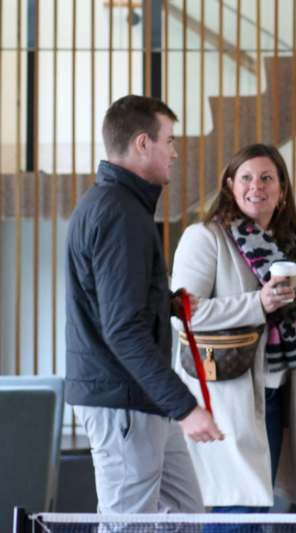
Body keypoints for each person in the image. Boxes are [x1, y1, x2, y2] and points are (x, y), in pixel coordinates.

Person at [170, 143, 296, 517]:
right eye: (246, 177)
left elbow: (294, 321)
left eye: (266, 178)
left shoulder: (285, 247)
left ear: (282, 191)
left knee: (255, 512)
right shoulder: (205, 237)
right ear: (229, 186)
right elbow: (183, 313)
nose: (256, 186)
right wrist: (257, 304)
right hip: (225, 396)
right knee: (235, 513)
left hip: (275, 396)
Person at [65, 95, 224, 515]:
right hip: (124, 399)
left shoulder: (119, 206)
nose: (174, 152)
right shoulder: (120, 214)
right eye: (169, 140)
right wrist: (186, 407)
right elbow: (122, 329)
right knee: (128, 524)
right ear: (142, 144)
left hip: (141, 398)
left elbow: (115, 304)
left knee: (187, 513)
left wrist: (164, 302)